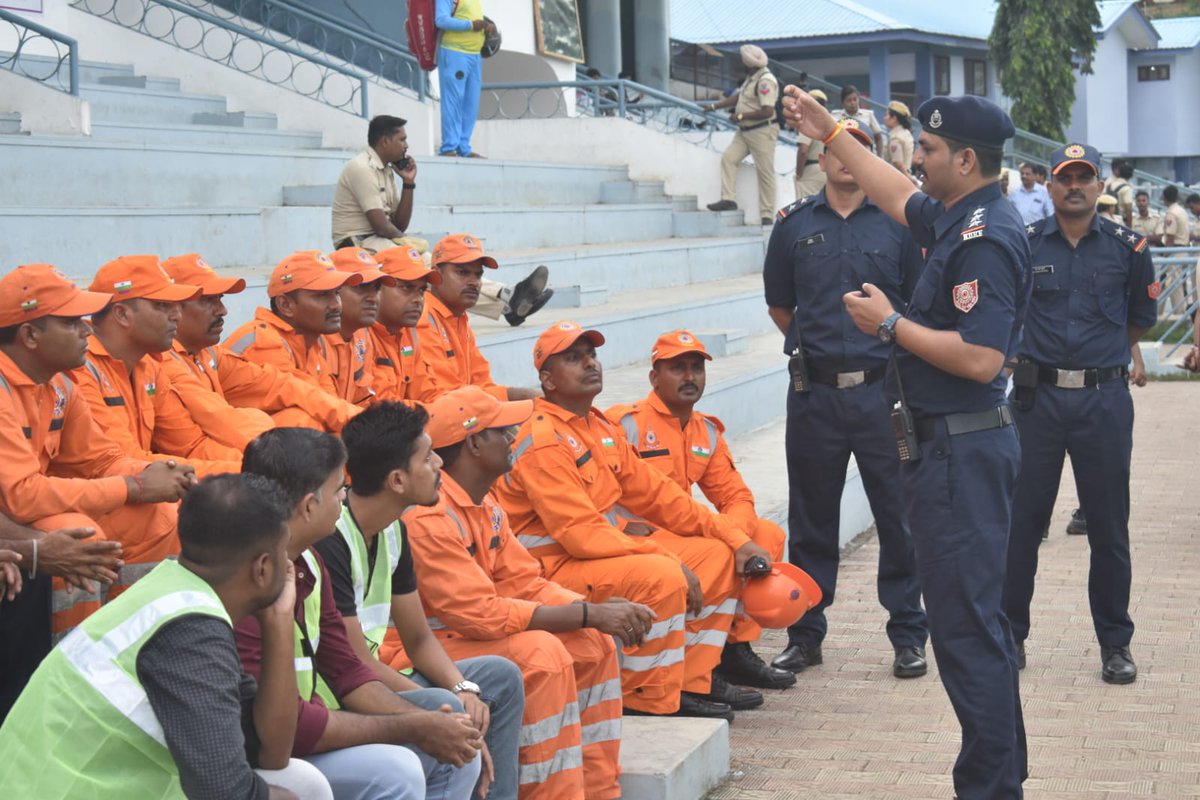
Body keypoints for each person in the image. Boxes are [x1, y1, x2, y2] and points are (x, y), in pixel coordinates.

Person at [784, 88, 1030, 797]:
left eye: (925, 150)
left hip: (960, 454)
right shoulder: (959, 213)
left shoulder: (984, 236)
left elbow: (981, 359)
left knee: (964, 635)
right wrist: (830, 130)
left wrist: (890, 326)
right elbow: (895, 195)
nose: (912, 159)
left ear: (966, 159)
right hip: (951, 452)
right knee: (975, 629)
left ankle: (989, 787)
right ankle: (1001, 776)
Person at [495, 320, 771, 721]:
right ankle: (645, 698)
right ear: (547, 380)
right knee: (662, 574)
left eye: (591, 355)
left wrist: (735, 539)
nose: (590, 364)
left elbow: (664, 497)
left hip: (595, 555)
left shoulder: (597, 426)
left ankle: (689, 684)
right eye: (573, 358)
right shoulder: (543, 439)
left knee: (717, 555)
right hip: (549, 569)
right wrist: (667, 557)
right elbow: (582, 536)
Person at [0, 473, 335, 799]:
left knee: (303, 782)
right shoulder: (191, 631)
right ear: (262, 568)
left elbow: (270, 752)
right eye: (284, 552)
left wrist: (278, 621)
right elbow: (226, 791)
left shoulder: (175, 591)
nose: (289, 565)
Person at [404, 386, 640, 800]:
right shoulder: (429, 518)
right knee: (541, 655)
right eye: (502, 429)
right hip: (422, 650)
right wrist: (589, 613)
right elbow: (480, 614)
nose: (514, 435)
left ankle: (600, 791)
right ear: (474, 443)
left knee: (594, 644)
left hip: (467, 636)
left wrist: (589, 613)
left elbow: (525, 582)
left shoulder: (486, 502)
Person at [761, 120, 930, 678]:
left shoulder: (899, 224)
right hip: (815, 396)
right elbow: (783, 307)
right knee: (812, 520)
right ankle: (806, 634)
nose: (842, 157)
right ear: (822, 157)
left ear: (869, 157)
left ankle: (908, 633)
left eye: (854, 146)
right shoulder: (792, 224)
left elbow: (916, 306)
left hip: (884, 392)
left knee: (901, 517)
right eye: (834, 146)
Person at [238, 427, 483, 800]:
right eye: (339, 491)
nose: (344, 501)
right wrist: (414, 728)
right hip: (263, 756)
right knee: (396, 771)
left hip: (306, 732)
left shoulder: (309, 561)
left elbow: (349, 670)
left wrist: (428, 724)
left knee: (455, 742)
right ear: (308, 506)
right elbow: (294, 730)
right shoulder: (249, 583)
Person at [0, 264, 192, 707]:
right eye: (70, 321)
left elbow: (100, 459)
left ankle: (139, 660)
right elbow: (22, 495)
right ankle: (69, 683)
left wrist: (161, 475)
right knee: (78, 530)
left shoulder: (59, 383)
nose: (87, 327)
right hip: (15, 527)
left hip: (23, 521)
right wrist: (135, 487)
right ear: (29, 336)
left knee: (161, 515)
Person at [314, 401, 526, 800]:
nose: (439, 466)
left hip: (376, 676)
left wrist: (463, 685)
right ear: (396, 480)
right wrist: (453, 699)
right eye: (427, 457)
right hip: (342, 695)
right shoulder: (331, 539)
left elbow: (420, 639)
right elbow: (355, 663)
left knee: (499, 677)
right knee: (447, 706)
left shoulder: (393, 530)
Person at [1003, 143, 1157, 685]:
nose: (1074, 186)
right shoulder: (1023, 245)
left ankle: (1115, 643)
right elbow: (1007, 308)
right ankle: (1010, 637)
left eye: (1084, 177)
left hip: (1103, 402)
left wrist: (1101, 358)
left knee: (1109, 529)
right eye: (1064, 177)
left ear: (1098, 187)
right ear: (1049, 186)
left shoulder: (1129, 246)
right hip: (1036, 402)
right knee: (1021, 526)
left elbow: (1140, 317)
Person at [605, 332, 797, 690]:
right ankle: (696, 670)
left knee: (767, 535)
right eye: (677, 368)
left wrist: (737, 538)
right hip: (638, 538)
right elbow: (593, 492)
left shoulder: (705, 431)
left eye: (696, 368)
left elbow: (736, 497)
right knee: (718, 553)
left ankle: (734, 651)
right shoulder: (624, 424)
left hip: (687, 529)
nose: (690, 377)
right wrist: (620, 526)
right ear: (654, 378)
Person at [331, 116, 550, 326]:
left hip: (378, 240)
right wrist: (407, 244)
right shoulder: (361, 168)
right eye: (402, 139)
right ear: (385, 141)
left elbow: (399, 224)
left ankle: (508, 306)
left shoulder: (388, 171)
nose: (406, 145)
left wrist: (408, 183)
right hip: (356, 244)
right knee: (430, 267)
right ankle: (509, 296)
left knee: (436, 271)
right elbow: (381, 224)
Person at [161, 253, 361, 440]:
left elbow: (304, 393)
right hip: (205, 465)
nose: (223, 310)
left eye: (336, 294)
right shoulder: (261, 342)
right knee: (299, 425)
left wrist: (366, 424)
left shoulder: (209, 354)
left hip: (218, 461)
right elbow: (217, 428)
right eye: (207, 300)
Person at [73, 256, 243, 473]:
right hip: (104, 497)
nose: (177, 315)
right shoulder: (79, 369)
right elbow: (127, 462)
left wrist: (253, 469)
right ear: (122, 314)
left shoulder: (148, 367)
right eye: (163, 305)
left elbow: (190, 446)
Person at [224, 251, 363, 400]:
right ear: (285, 305)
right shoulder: (262, 343)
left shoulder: (309, 345)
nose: (336, 305)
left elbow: (332, 403)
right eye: (322, 295)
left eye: (336, 293)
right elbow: (315, 406)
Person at [418, 234, 541, 401]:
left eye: (477, 275)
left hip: (465, 413)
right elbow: (447, 397)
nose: (474, 282)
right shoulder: (423, 318)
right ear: (436, 275)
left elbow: (482, 382)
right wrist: (519, 397)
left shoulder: (459, 317)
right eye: (462, 273)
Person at [704, 44, 780, 225]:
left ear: (749, 63)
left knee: (765, 173)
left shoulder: (765, 80)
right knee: (729, 159)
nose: (741, 64)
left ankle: (767, 215)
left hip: (762, 131)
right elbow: (738, 98)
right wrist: (714, 106)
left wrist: (740, 116)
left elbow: (767, 111)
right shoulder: (751, 78)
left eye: (743, 61)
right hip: (744, 131)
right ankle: (728, 199)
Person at [368, 246, 442, 404]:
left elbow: (429, 394)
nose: (418, 299)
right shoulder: (361, 336)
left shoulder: (409, 333)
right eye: (406, 288)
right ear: (376, 289)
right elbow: (384, 407)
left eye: (421, 290)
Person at [325, 247, 397, 406]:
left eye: (376, 289)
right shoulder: (314, 338)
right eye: (360, 287)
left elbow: (366, 400)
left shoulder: (362, 335)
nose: (373, 298)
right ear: (333, 291)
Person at [436, 0, 493, 158]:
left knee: (471, 104)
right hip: (455, 52)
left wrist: (487, 27)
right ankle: (448, 147)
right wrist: (470, 25)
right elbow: (441, 20)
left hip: (475, 55)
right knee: (453, 101)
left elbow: (471, 19)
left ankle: (463, 147)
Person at [793, 89, 829, 201]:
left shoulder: (808, 121)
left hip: (811, 170)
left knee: (805, 207)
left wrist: (799, 173)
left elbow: (803, 151)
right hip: (826, 168)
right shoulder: (829, 121)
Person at [831, 85, 885, 155]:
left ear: (858, 99)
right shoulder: (835, 116)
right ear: (843, 103)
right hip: (843, 156)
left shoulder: (868, 115)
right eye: (849, 100)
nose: (852, 103)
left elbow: (878, 137)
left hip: (865, 155)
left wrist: (879, 156)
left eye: (855, 99)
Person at [883, 100, 915, 182]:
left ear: (894, 118)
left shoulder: (896, 138)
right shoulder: (906, 133)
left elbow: (898, 163)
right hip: (906, 174)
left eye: (886, 115)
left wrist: (909, 179)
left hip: (897, 178)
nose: (884, 118)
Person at [1106, 160, 1135, 227]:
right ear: (1131, 175)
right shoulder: (1126, 188)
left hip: (1107, 218)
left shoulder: (1110, 185)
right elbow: (1128, 209)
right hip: (1119, 222)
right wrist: (1129, 227)